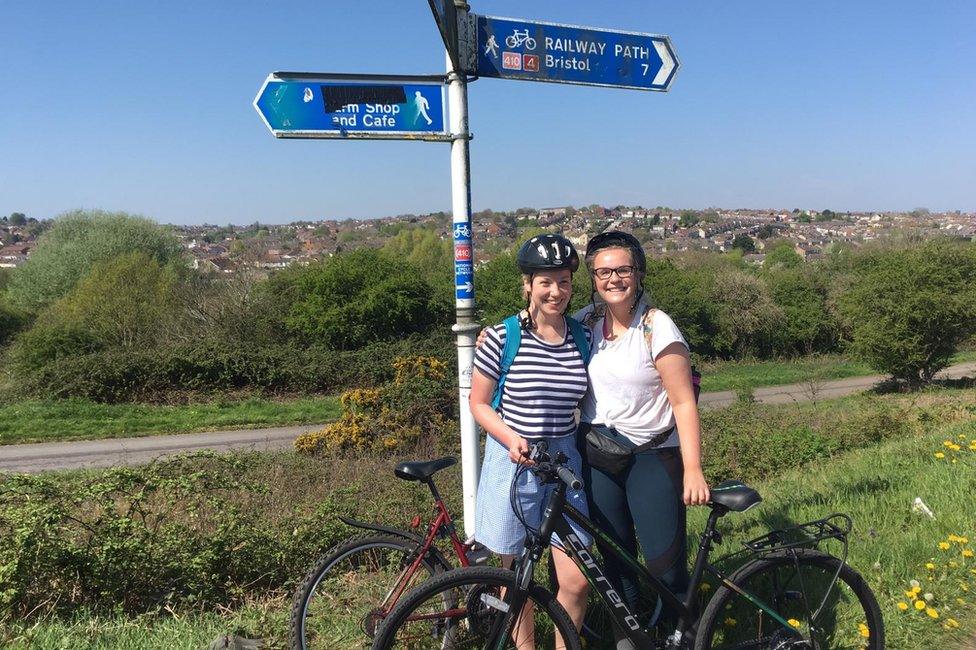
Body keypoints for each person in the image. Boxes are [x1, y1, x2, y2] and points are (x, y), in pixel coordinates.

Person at [575, 231, 709, 637]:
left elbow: (684, 403)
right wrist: (495, 335)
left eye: (623, 269)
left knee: (664, 568)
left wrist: (693, 469)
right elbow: (539, 331)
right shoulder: (585, 321)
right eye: (603, 271)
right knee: (616, 564)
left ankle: (684, 636)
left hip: (652, 458)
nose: (613, 279)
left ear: (639, 273)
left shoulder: (658, 328)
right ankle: (628, 639)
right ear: (593, 277)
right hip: (599, 456)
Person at [470, 234, 592, 643]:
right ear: (528, 285)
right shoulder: (502, 337)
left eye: (563, 281)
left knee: (576, 581)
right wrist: (510, 437)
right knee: (515, 580)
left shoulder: (581, 338)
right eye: (546, 282)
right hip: (515, 463)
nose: (556, 291)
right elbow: (479, 403)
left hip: (563, 466)